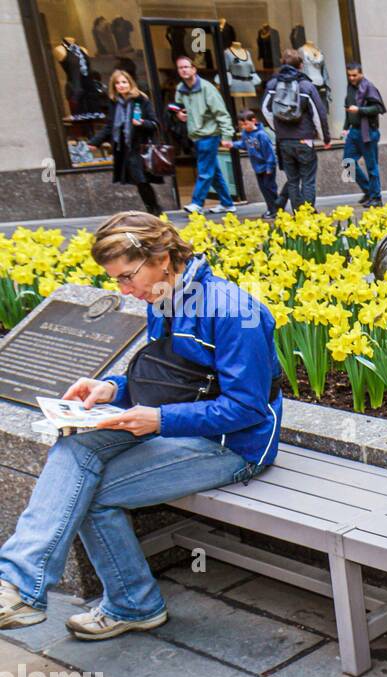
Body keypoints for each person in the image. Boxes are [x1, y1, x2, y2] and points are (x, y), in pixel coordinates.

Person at [0, 212, 282, 637]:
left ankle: (133, 605)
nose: (125, 290)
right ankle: (19, 585)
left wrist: (159, 419)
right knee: (75, 447)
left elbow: (248, 409)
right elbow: (169, 377)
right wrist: (113, 389)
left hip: (233, 445)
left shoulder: (233, 311)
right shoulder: (163, 299)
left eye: (128, 277)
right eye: (117, 281)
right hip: (174, 428)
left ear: (163, 257)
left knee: (90, 493)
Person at [261, 47, 331, 211]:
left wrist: (278, 128)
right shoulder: (306, 86)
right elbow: (319, 114)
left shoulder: (272, 84)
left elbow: (265, 109)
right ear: (300, 65)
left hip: (284, 141)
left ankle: (297, 214)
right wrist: (325, 138)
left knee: (292, 180)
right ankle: (307, 214)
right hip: (304, 140)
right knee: (307, 179)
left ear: (282, 63)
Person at [89, 69, 163, 216]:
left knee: (141, 180)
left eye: (124, 82)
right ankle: (153, 209)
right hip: (124, 148)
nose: (121, 85)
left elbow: (155, 124)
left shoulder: (141, 100)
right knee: (139, 181)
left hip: (140, 147)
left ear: (130, 83)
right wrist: (95, 142)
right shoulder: (115, 103)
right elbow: (110, 126)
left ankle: (155, 210)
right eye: (117, 83)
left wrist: (141, 123)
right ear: (114, 86)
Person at [171, 55, 235, 215]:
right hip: (195, 135)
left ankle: (197, 203)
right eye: (181, 68)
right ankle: (227, 203)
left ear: (194, 69)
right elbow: (177, 108)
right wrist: (179, 114)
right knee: (214, 171)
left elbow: (222, 113)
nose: (184, 70)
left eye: (187, 67)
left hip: (209, 134)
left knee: (205, 170)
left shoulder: (207, 88)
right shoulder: (180, 89)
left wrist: (227, 136)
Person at [342, 62, 386, 207]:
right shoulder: (350, 88)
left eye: (354, 75)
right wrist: (345, 127)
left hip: (368, 132)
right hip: (353, 131)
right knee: (347, 163)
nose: (352, 78)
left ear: (361, 73)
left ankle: (376, 198)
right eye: (349, 75)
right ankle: (368, 190)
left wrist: (360, 110)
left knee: (371, 166)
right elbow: (348, 109)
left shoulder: (369, 87)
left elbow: (379, 108)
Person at [233, 109, 279, 220]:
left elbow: (269, 153)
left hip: (267, 167)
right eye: (241, 125)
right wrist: (233, 144)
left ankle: (275, 210)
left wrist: (269, 167)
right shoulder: (245, 134)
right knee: (264, 189)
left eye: (245, 124)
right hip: (257, 167)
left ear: (253, 120)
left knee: (270, 189)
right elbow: (244, 145)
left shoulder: (261, 135)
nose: (243, 127)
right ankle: (272, 209)